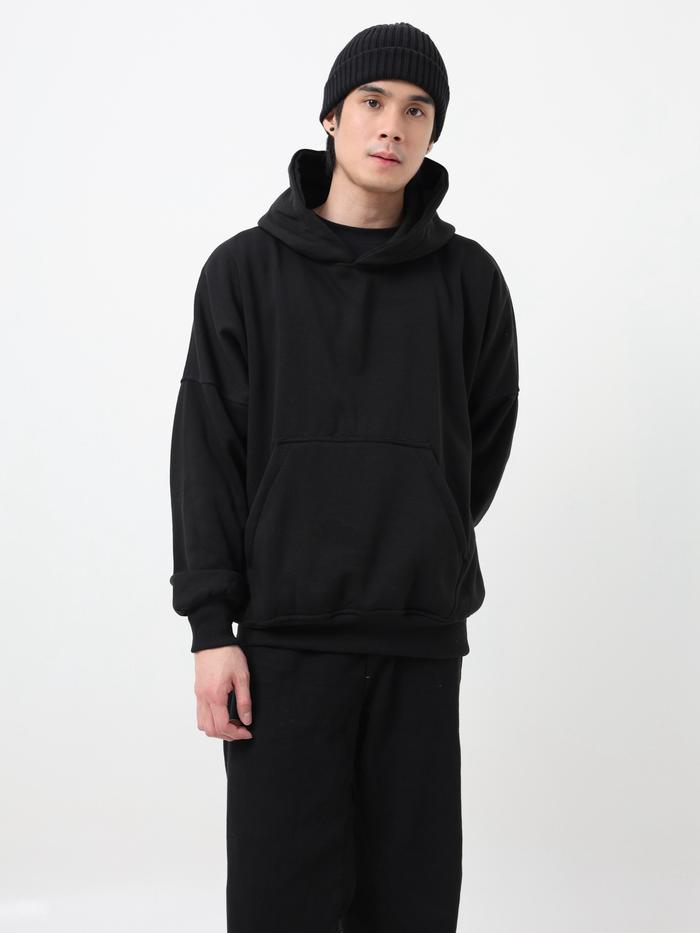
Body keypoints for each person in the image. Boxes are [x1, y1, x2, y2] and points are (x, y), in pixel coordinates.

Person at [168, 21, 520, 933]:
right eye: (372, 101)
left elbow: (479, 444)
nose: (392, 126)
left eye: (417, 110)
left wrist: (420, 524)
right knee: (280, 905)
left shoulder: (469, 281)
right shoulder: (244, 273)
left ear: (434, 132)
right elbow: (205, 454)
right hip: (281, 647)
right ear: (331, 116)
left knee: (410, 905)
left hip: (418, 642)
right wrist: (211, 627)